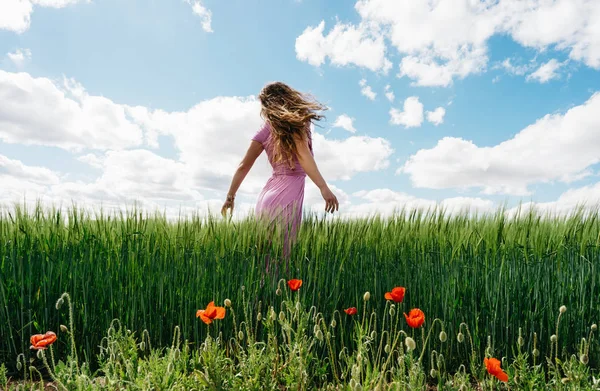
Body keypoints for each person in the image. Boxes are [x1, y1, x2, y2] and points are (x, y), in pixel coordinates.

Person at [220, 81, 339, 274]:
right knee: (282, 259)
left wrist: (230, 198)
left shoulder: (264, 130)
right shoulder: (298, 123)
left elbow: (243, 166)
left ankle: (261, 300)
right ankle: (275, 299)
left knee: (264, 258)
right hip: (288, 195)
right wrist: (323, 187)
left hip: (267, 196)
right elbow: (303, 155)